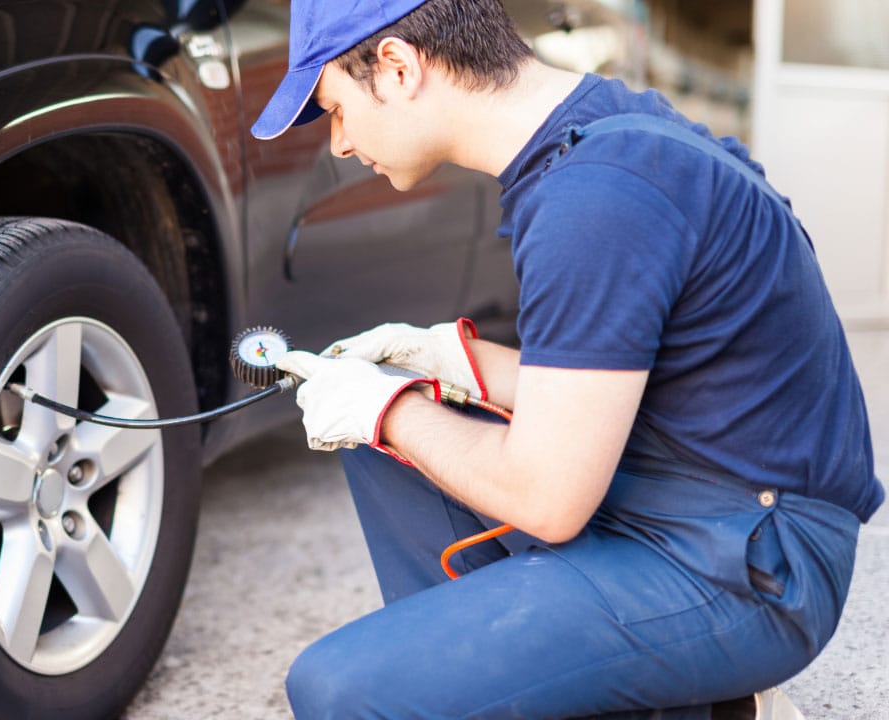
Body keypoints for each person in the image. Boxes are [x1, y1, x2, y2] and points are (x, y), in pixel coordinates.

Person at [251, 0, 884, 718]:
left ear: (397, 67)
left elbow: (548, 499)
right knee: (384, 432)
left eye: (335, 107)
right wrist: (440, 359)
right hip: (697, 483)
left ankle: (693, 687)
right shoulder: (599, 132)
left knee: (339, 691)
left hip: (750, 563)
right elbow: (633, 375)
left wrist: (388, 410)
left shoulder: (597, 197)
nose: (338, 143)